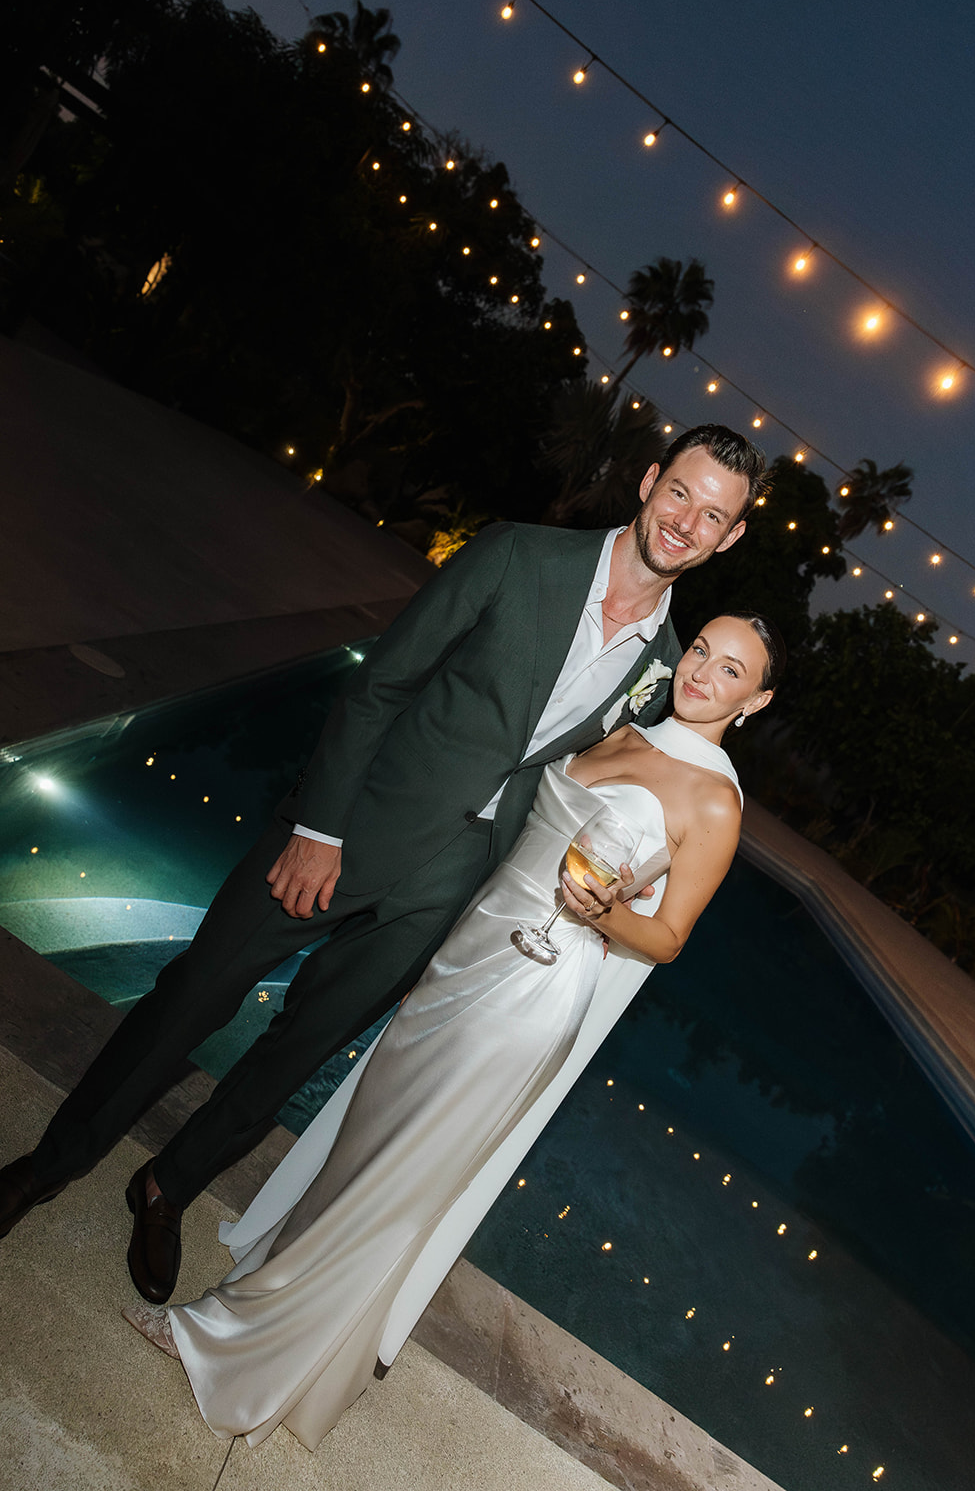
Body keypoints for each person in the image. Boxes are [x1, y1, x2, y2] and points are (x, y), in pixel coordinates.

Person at [0, 425, 769, 1306]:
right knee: (192, 994)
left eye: (712, 515)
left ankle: (166, 1188)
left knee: (297, 1052)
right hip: (347, 830)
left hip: (449, 888)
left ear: (729, 537)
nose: (685, 522)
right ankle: (45, 1167)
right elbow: (383, 682)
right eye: (680, 493)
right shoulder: (520, 556)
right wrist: (319, 828)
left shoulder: (673, 666)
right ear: (646, 482)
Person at [122, 612, 785, 1451]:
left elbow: (669, 937)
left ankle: (236, 1347)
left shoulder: (713, 799)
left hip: (530, 987)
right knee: (363, 1150)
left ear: (753, 700)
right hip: (460, 960)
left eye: (730, 671)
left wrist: (610, 911)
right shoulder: (623, 727)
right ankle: (287, 1326)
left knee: (391, 1183)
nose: (701, 673)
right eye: (699, 651)